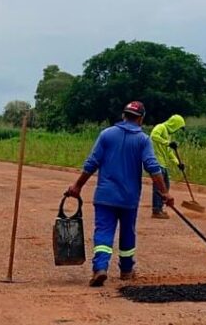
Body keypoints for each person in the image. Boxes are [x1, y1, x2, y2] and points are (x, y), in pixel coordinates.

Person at [66, 101, 173, 286]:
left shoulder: (106, 135)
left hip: (105, 196)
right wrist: (165, 193)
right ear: (140, 119)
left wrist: (77, 186)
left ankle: (100, 267)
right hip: (129, 198)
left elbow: (92, 163)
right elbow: (153, 168)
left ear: (124, 116)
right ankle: (126, 270)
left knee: (104, 232)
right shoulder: (143, 140)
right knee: (127, 232)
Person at [149, 114, 185, 219]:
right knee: (158, 187)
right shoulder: (160, 127)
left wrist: (178, 163)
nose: (177, 130)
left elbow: (169, 152)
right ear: (174, 125)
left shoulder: (168, 135)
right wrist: (167, 143)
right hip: (157, 162)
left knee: (166, 187)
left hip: (163, 164)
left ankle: (159, 208)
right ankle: (156, 210)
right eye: (178, 128)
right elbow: (153, 136)